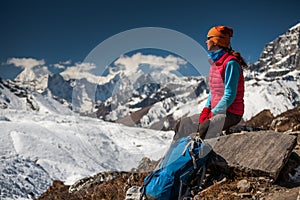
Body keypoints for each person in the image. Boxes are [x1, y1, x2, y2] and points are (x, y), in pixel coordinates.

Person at [174, 25, 247, 140]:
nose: (206, 41)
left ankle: (202, 156)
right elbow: (213, 92)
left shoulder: (231, 63)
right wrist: (206, 110)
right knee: (182, 125)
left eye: (209, 38)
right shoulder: (214, 64)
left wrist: (213, 113)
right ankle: (176, 155)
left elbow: (230, 95)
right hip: (215, 111)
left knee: (205, 128)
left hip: (231, 113)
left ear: (215, 41)